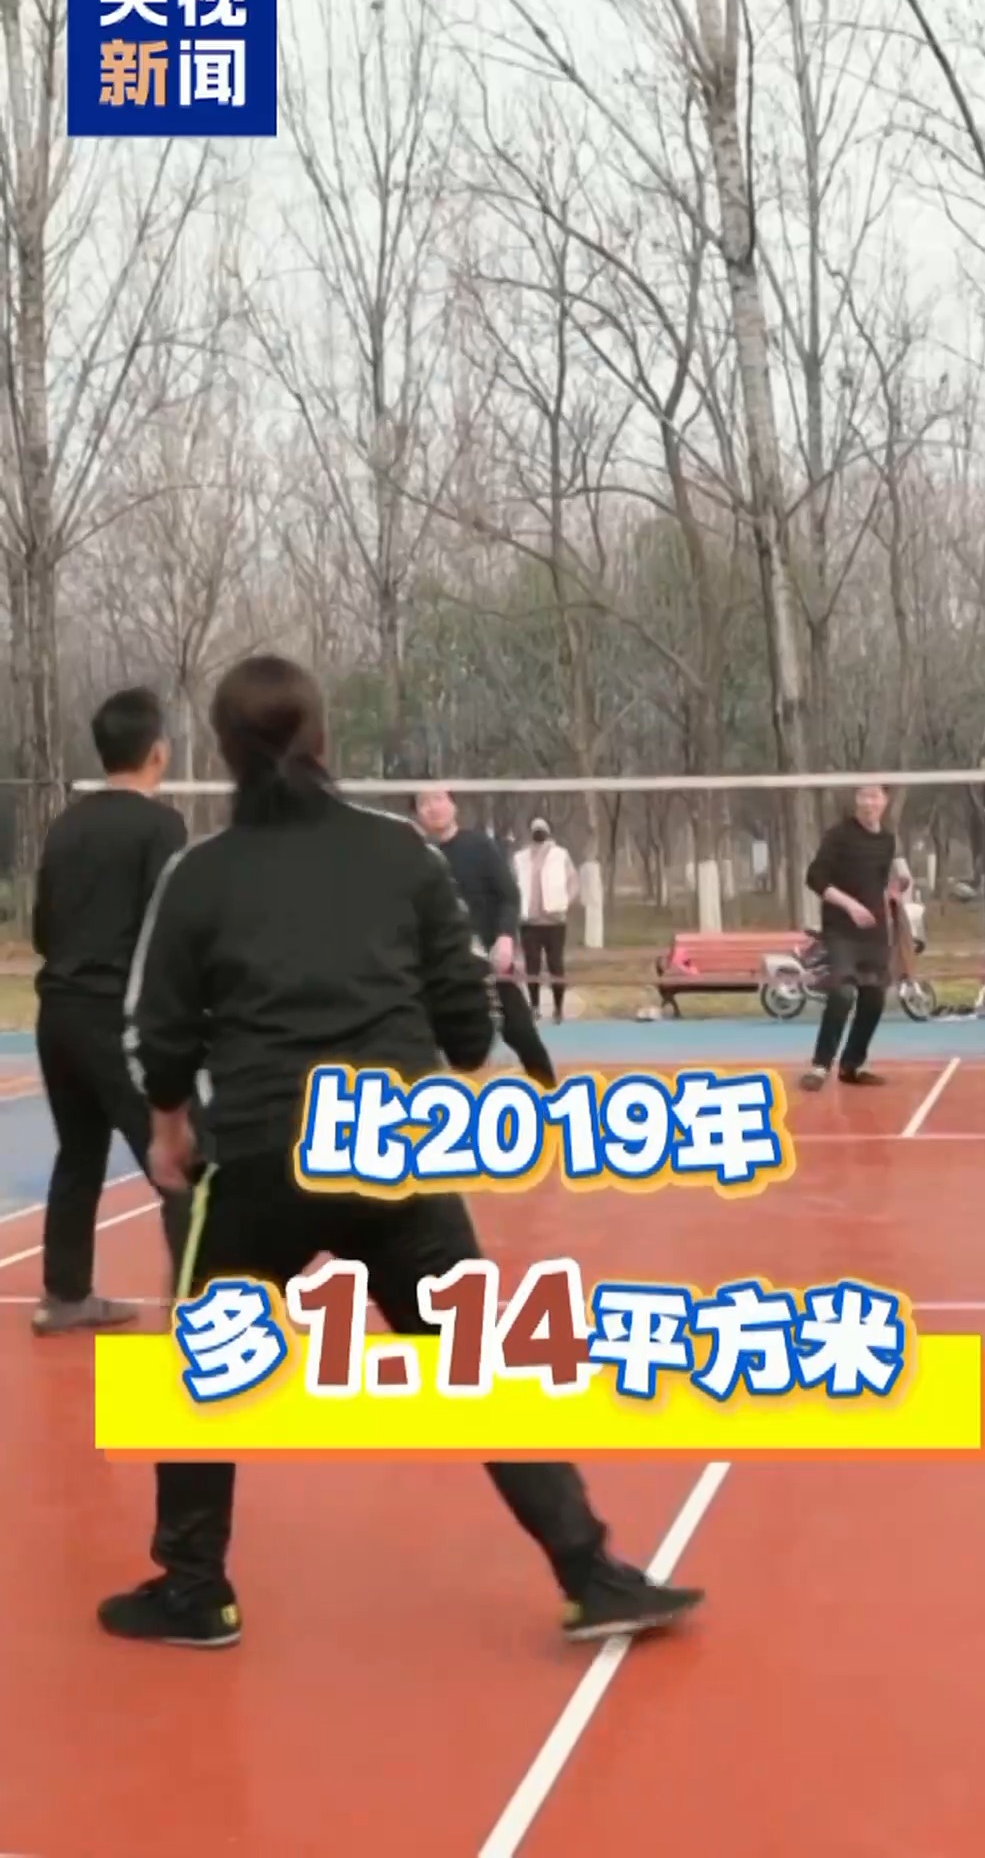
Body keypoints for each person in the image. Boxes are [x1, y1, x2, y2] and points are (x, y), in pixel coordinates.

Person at [98, 654, 703, 1649]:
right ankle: (591, 1572)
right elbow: (468, 1016)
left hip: (259, 1155)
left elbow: (157, 1028)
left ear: (223, 751)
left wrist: (171, 1125)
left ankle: (195, 1588)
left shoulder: (199, 874)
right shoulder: (399, 854)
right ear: (323, 738)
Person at [30, 687, 190, 1335]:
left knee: (79, 1154)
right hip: (115, 1017)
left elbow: (43, 928)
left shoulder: (65, 826)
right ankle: (203, 1309)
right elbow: (169, 930)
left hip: (57, 1014)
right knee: (182, 1159)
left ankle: (65, 1295)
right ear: (158, 752)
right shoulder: (161, 827)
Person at [412, 785, 557, 1089]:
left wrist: (505, 937)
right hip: (438, 969)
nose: (433, 807)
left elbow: (508, 896)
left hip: (488, 962)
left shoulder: (479, 846)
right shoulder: (416, 857)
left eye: (439, 799)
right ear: (417, 814)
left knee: (521, 1032)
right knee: (420, 1039)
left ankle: (551, 1094)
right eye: (424, 803)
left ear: (453, 805)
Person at [800, 783, 900, 1092]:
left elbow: (879, 883)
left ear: (884, 801)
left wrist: (893, 898)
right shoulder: (839, 835)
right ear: (856, 800)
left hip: (874, 930)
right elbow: (815, 878)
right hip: (841, 929)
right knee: (842, 993)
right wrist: (850, 905)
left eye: (874, 796)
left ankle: (852, 1065)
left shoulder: (887, 840)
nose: (869, 802)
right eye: (863, 796)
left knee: (874, 997)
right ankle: (820, 1065)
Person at [513, 817, 579, 1024]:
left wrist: (565, 903)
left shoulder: (560, 855)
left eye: (542, 828)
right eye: (535, 829)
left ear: (548, 831)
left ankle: (558, 1008)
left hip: (554, 921)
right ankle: (534, 1007)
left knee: (555, 965)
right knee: (532, 966)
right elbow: (513, 884)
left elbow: (573, 882)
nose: (538, 832)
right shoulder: (520, 858)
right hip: (529, 922)